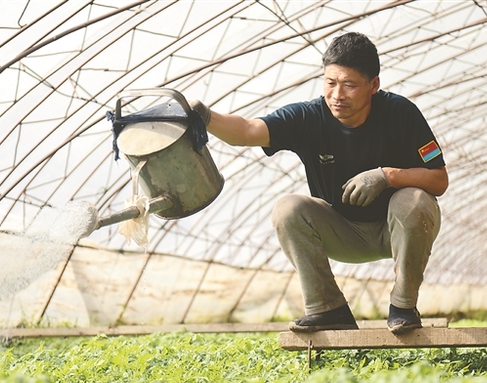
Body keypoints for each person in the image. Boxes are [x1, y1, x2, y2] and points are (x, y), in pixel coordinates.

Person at [190, 32, 448, 334]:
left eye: (349, 85)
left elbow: (439, 180)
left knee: (414, 200)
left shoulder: (400, 114)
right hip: (342, 230)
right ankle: (327, 308)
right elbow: (247, 130)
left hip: (395, 230)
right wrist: (206, 117)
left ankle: (403, 306)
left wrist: (387, 175)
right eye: (330, 82)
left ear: (374, 85)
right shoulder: (308, 118)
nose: (338, 94)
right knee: (288, 208)